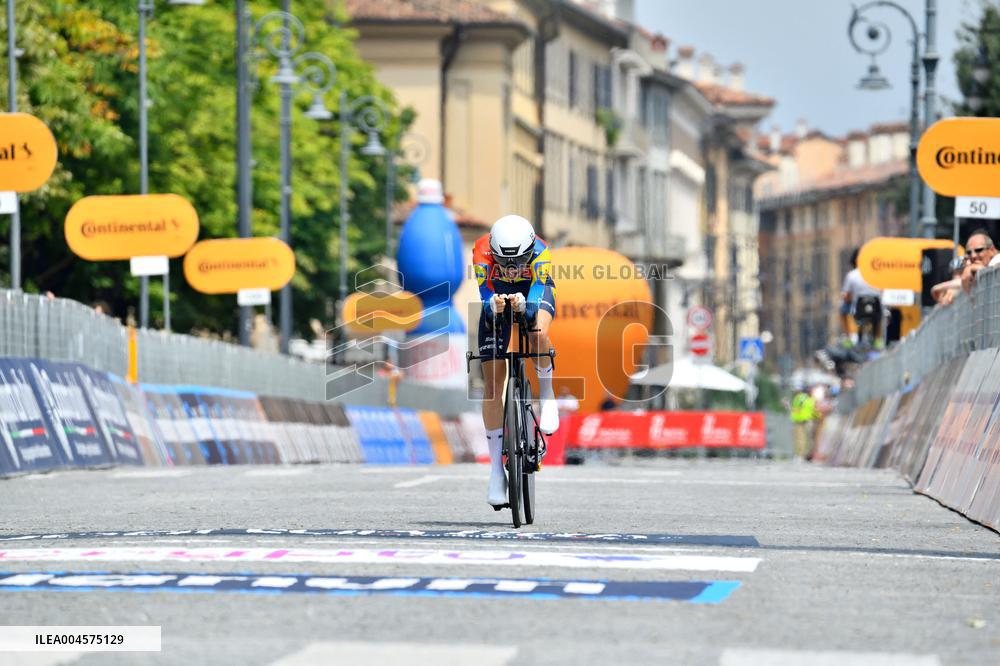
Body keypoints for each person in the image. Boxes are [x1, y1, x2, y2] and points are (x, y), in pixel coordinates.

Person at [474, 214, 558, 508]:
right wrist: (491, 304)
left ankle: (547, 396)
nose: (511, 269)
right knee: (493, 382)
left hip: (533, 292)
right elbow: (484, 293)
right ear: (493, 252)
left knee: (536, 332)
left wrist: (527, 306)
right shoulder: (481, 253)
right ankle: (496, 472)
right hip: (497, 298)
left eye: (518, 261)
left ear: (530, 250)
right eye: (504, 263)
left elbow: (537, 292)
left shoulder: (541, 254)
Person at [840, 248, 883, 347]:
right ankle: (878, 339)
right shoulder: (877, 273)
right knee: (880, 314)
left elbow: (846, 297)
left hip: (859, 308)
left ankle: (848, 338)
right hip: (875, 308)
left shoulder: (851, 275)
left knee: (841, 310)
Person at [961, 229, 999, 295]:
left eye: (978, 250)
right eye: (968, 252)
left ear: (992, 250)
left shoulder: (997, 259)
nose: (973, 256)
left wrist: (982, 269)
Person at [790, 386, 818, 460]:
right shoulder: (802, 398)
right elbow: (796, 409)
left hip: (805, 420)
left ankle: (805, 454)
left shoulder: (811, 399)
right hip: (801, 421)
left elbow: (813, 410)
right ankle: (801, 455)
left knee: (806, 439)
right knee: (801, 438)